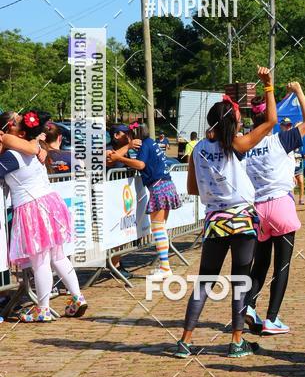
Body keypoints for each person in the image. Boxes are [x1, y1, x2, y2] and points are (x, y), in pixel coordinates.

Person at [173, 66, 277, 359]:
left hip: (214, 221)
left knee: (204, 281)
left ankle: (185, 341)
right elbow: (271, 120)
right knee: (240, 281)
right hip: (242, 219)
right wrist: (268, 86)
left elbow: (193, 188)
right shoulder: (237, 144)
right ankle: (236, 341)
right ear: (232, 122)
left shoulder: (198, 150)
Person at [0, 110, 87, 322]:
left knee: (39, 260)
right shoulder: (35, 148)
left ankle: (43, 308)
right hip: (50, 202)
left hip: (31, 207)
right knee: (58, 256)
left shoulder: (11, 156)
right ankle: (77, 297)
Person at [244, 84, 305, 335]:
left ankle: (249, 307)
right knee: (282, 266)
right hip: (280, 204)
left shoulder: (247, 145)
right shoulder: (281, 139)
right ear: (271, 119)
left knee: (259, 264)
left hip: (258, 207)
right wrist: (299, 92)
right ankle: (272, 318)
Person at [107, 124, 181, 277]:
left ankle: (165, 268)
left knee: (158, 228)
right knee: (161, 228)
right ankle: (164, 266)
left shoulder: (145, 145)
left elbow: (141, 164)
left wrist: (119, 158)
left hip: (158, 186)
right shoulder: (151, 143)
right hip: (165, 184)